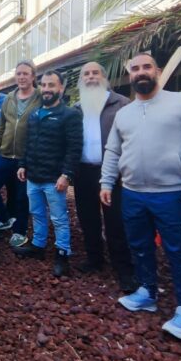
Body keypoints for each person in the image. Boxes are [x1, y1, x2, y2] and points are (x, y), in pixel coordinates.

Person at [100, 53, 181, 340]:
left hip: (172, 194)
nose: (141, 72)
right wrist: (106, 182)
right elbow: (113, 150)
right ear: (130, 75)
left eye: (146, 67)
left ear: (158, 71)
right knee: (139, 246)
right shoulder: (124, 113)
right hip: (132, 193)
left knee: (180, 252)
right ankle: (147, 292)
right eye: (135, 69)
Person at [73, 61, 136, 293]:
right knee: (87, 217)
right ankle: (94, 259)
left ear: (104, 77)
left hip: (112, 172)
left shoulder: (121, 104)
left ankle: (124, 268)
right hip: (83, 171)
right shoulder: (77, 108)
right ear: (81, 80)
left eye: (95, 73)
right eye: (86, 74)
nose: (91, 77)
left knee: (115, 220)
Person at [16, 71, 82, 277]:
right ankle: (38, 246)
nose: (46, 89)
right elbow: (28, 143)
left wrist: (66, 175)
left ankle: (63, 254)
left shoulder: (70, 115)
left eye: (51, 85)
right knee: (36, 213)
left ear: (61, 88)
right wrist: (22, 165)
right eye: (43, 85)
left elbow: (74, 148)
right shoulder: (35, 115)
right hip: (33, 177)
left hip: (54, 179)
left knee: (59, 218)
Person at [0, 60, 40, 244]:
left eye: (25, 73)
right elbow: (1, 125)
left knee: (21, 196)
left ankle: (20, 232)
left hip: (27, 156)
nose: (21, 77)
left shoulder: (40, 97)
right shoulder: (9, 97)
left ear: (33, 76)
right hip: (5, 154)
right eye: (19, 74)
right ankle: (4, 219)